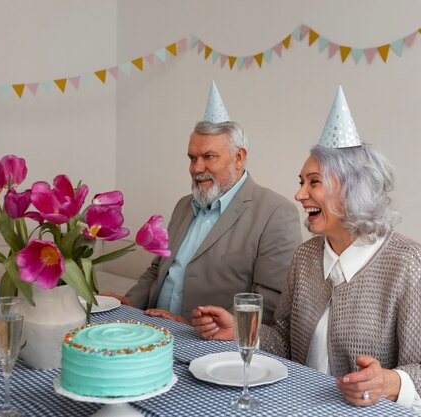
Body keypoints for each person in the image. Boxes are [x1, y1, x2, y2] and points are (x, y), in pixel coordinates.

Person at [191, 87, 421, 417]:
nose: (299, 194)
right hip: (295, 406)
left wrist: (388, 382)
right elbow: (285, 340)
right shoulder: (306, 256)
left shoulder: (409, 264)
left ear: (353, 188)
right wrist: (242, 332)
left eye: (314, 182)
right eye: (301, 181)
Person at [103, 81, 302, 325]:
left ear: (239, 157)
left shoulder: (275, 213)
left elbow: (271, 304)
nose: (196, 168)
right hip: (151, 330)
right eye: (192, 157)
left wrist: (191, 325)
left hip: (209, 345)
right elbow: (158, 270)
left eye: (208, 157)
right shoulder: (183, 205)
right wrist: (129, 302)